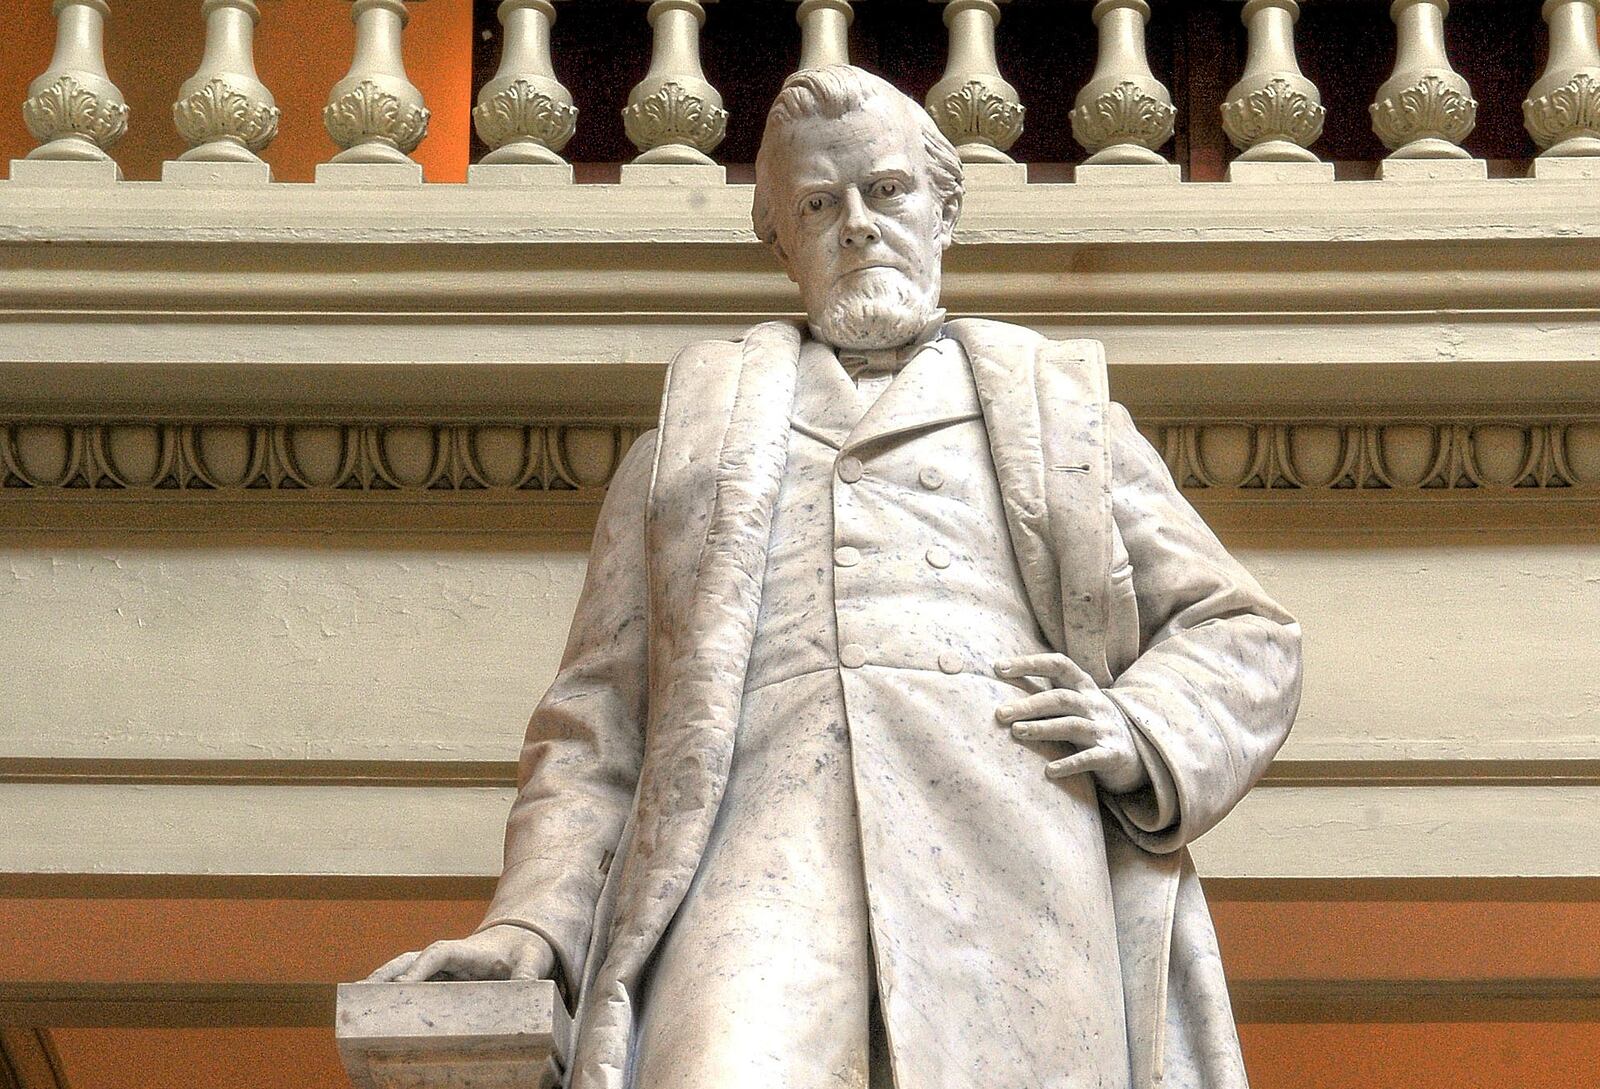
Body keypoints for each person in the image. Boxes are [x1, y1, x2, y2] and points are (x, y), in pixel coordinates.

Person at [370, 65, 1302, 1089]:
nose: (857, 224)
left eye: (887, 190)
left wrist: (1142, 731)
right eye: (819, 204)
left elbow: (1241, 630)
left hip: (1012, 868)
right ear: (781, 241)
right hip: (750, 871)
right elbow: (596, 727)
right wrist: (533, 921)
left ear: (945, 207)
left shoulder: (1062, 418)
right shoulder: (685, 449)